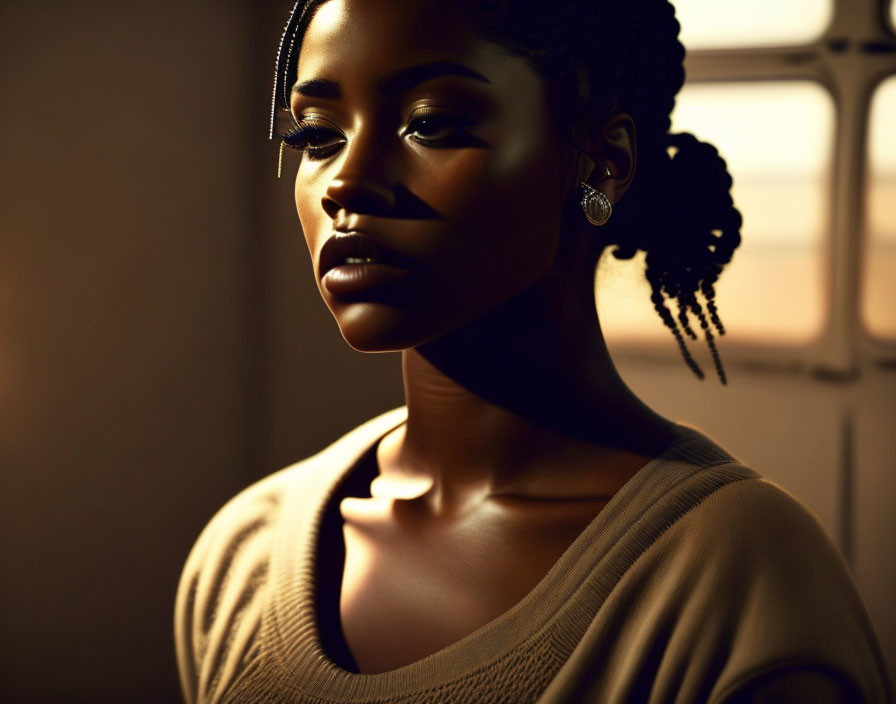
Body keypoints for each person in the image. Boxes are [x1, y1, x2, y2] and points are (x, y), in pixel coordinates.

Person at [174, 0, 893, 701]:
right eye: (317, 136)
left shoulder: (741, 590)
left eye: (431, 124)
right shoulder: (245, 558)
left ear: (603, 162)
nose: (346, 183)